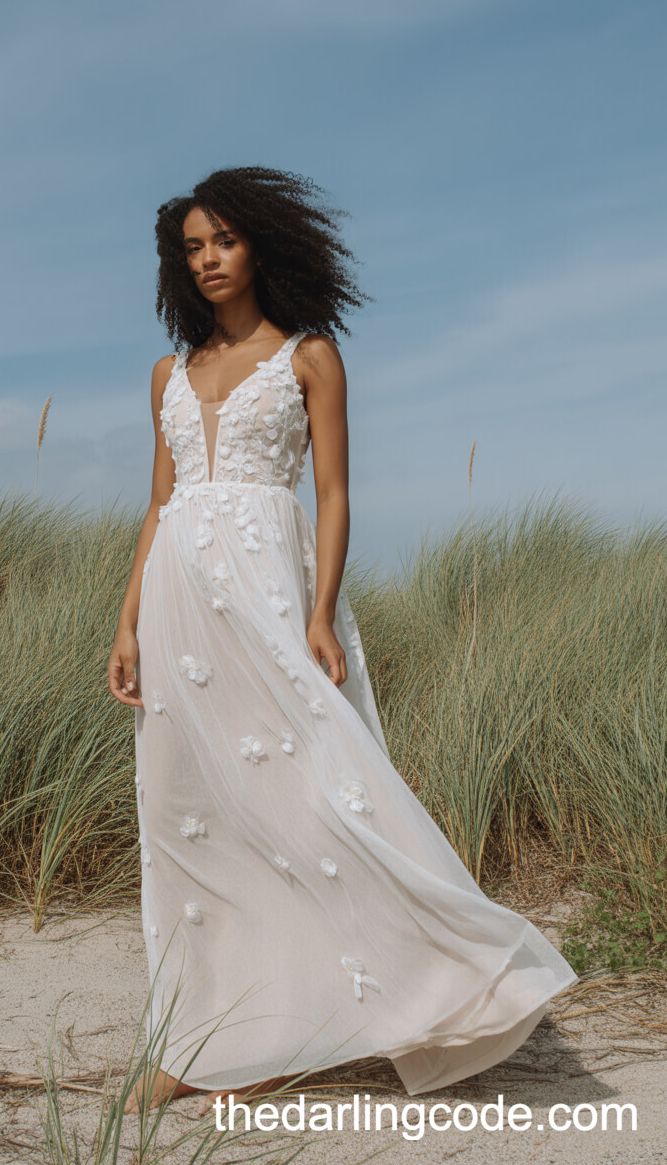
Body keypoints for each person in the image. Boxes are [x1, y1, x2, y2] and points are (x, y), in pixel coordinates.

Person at [107, 166, 577, 1118]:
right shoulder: (167, 373)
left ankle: (435, 981)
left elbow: (331, 494)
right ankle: (211, 1039)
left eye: (225, 240)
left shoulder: (310, 357)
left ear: (262, 245)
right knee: (191, 815)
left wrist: (320, 613)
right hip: (176, 604)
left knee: (311, 800)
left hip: (267, 593)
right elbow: (160, 503)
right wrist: (125, 621)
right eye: (193, 248)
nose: (209, 260)